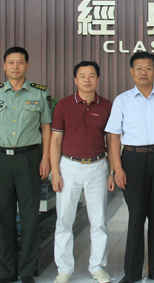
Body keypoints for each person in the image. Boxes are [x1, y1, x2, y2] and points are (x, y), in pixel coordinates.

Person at [0, 46, 53, 283]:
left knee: (30, 216)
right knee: (3, 215)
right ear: (4, 66)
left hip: (29, 158)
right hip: (0, 158)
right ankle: (6, 272)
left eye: (20, 62)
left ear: (27, 65)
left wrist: (45, 158)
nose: (15, 66)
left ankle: (27, 271)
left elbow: (46, 127)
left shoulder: (40, 93)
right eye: (11, 62)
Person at [106, 51, 154, 283]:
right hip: (132, 160)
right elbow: (113, 137)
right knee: (136, 217)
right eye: (138, 68)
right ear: (131, 71)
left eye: (148, 68)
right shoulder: (122, 100)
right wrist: (117, 169)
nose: (143, 72)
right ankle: (132, 273)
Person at [50, 61, 113, 283]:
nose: (87, 79)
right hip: (69, 166)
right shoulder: (64, 105)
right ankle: (64, 269)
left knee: (99, 221)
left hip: (98, 166)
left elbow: (111, 141)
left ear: (98, 79)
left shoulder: (106, 106)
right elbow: (55, 140)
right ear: (75, 80)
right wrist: (55, 172)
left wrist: (112, 171)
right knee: (64, 220)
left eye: (91, 75)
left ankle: (97, 266)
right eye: (82, 76)